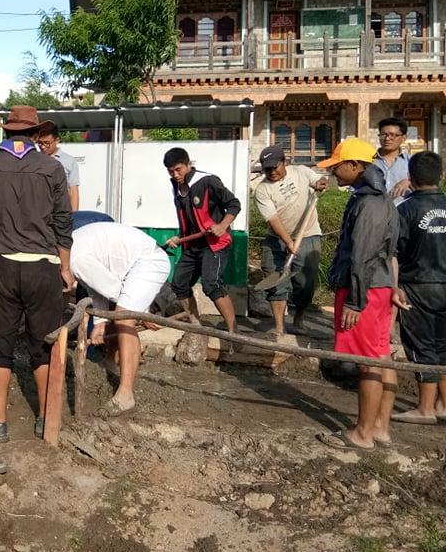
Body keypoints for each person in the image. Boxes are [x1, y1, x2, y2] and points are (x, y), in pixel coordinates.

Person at [0, 105, 74, 442]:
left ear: (7, 131)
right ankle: (44, 418)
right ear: (35, 134)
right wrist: (66, 268)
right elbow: (63, 222)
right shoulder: (52, 168)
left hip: (2, 266)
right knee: (43, 344)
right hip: (43, 267)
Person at [314, 138, 405, 451]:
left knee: (367, 362)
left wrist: (355, 299)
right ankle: (380, 428)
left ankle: (362, 434)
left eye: (338, 166)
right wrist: (392, 286)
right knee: (380, 355)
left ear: (355, 166)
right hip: (379, 287)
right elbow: (391, 251)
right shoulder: (384, 200)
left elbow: (363, 254)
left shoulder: (367, 205)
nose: (335, 172)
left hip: (363, 290)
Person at [70, 218, 171, 417]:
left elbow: (113, 289)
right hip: (132, 265)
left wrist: (143, 311)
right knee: (119, 313)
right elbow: (97, 286)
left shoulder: (75, 260)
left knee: (123, 317)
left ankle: (126, 395)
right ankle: (111, 363)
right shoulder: (73, 249)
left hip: (149, 260)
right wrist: (100, 322)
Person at [391, 151, 446, 425]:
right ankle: (443, 405)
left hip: (418, 286)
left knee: (422, 346)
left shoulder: (406, 210)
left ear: (410, 179)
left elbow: (394, 253)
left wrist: (394, 286)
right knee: (443, 345)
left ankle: (426, 408)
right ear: (442, 176)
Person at [163, 147, 241, 332]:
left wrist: (222, 225)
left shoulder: (207, 181)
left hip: (214, 244)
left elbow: (234, 204)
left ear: (189, 164)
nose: (175, 175)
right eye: (170, 171)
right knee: (179, 283)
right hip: (192, 244)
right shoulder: (177, 188)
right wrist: (180, 238)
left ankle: (234, 331)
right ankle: (196, 326)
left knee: (211, 284)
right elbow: (189, 219)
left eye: (178, 169)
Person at [253, 145, 328, 336]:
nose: (271, 172)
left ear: (284, 162)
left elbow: (319, 180)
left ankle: (298, 321)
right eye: (267, 169)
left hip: (308, 234)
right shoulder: (262, 190)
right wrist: (288, 241)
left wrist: (320, 182)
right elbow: (273, 219)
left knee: (305, 283)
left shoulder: (301, 172)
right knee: (276, 282)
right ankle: (279, 328)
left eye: (274, 167)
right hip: (276, 239)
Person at [37, 120, 80, 212]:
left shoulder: (69, 161)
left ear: (57, 140)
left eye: (46, 143)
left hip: (61, 214)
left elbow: (73, 192)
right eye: (40, 143)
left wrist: (75, 216)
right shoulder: (34, 160)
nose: (43, 146)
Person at [374, 116, 412, 205]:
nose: (387, 138)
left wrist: (409, 182)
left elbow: (424, 185)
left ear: (403, 138)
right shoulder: (369, 162)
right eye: (383, 134)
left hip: (403, 213)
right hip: (376, 214)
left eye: (392, 135)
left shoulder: (411, 162)